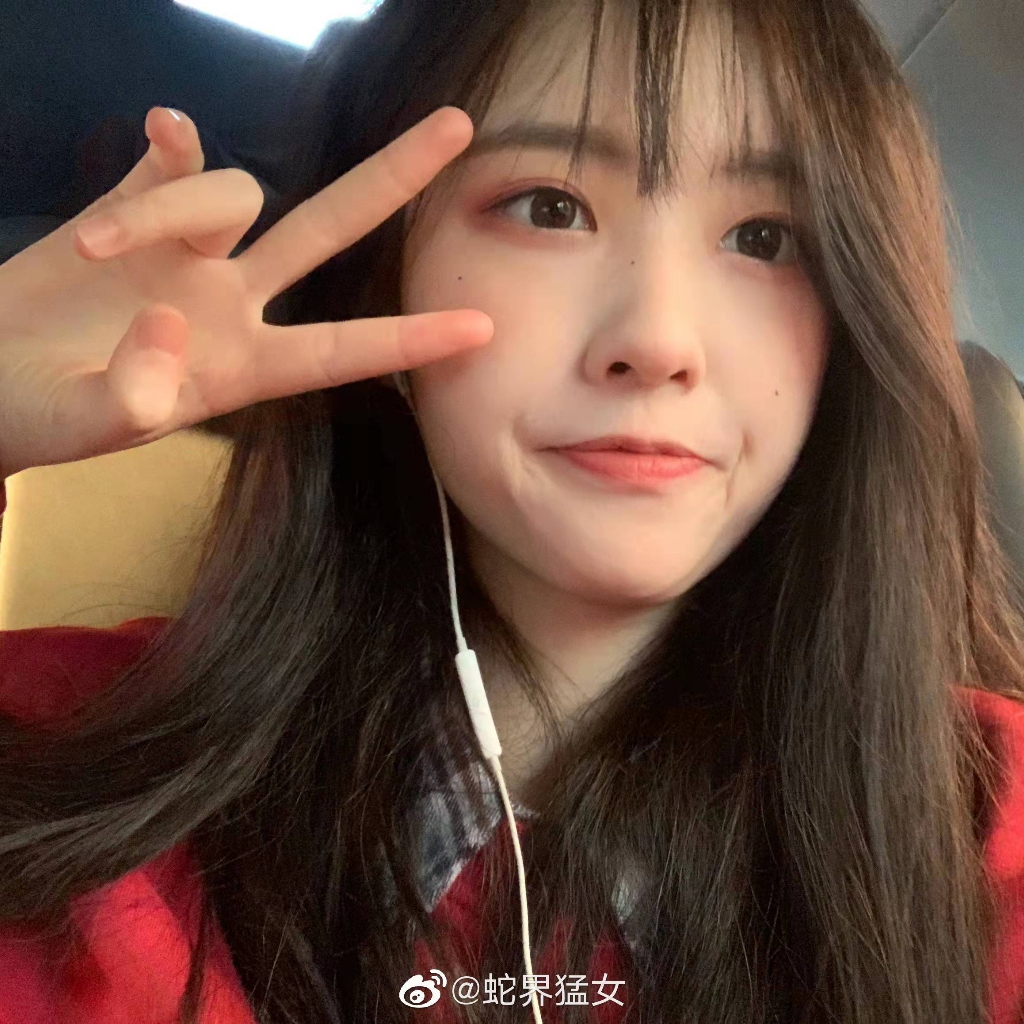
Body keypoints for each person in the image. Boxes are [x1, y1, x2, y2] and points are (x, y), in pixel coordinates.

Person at [1, 0, 1023, 1022]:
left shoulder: (989, 825)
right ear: (381, 281)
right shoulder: (68, 758)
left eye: (764, 237)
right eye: (548, 208)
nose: (658, 341)